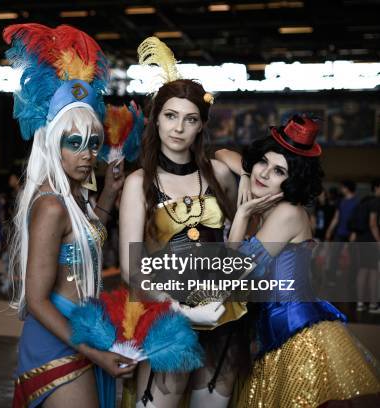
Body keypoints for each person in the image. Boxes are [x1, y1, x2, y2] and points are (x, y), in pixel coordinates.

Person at [4, 23, 133, 408]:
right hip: (56, 343)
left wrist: (108, 194)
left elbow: (87, 241)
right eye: (73, 143)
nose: (87, 153)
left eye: (93, 143)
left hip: (81, 333)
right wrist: (98, 355)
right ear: (52, 144)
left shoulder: (72, 199)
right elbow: (38, 300)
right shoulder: (51, 205)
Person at [119, 37, 245, 408]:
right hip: (167, 316)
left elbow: (239, 239)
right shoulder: (138, 183)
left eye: (190, 119)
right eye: (171, 116)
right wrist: (178, 309)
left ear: (201, 125)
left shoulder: (220, 174)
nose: (178, 128)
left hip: (222, 315)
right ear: (156, 118)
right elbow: (131, 265)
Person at [223, 115, 380, 407]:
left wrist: (242, 216)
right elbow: (220, 153)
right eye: (262, 163)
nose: (265, 174)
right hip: (273, 337)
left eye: (279, 171)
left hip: (297, 336)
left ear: (292, 180)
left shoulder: (287, 214)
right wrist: (245, 174)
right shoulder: (269, 203)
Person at [351, 179, 380, 312]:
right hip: (371, 241)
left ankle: (360, 303)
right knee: (373, 273)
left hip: (361, 239)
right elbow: (373, 223)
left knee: (362, 271)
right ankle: (373, 304)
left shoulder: (364, 201)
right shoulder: (376, 202)